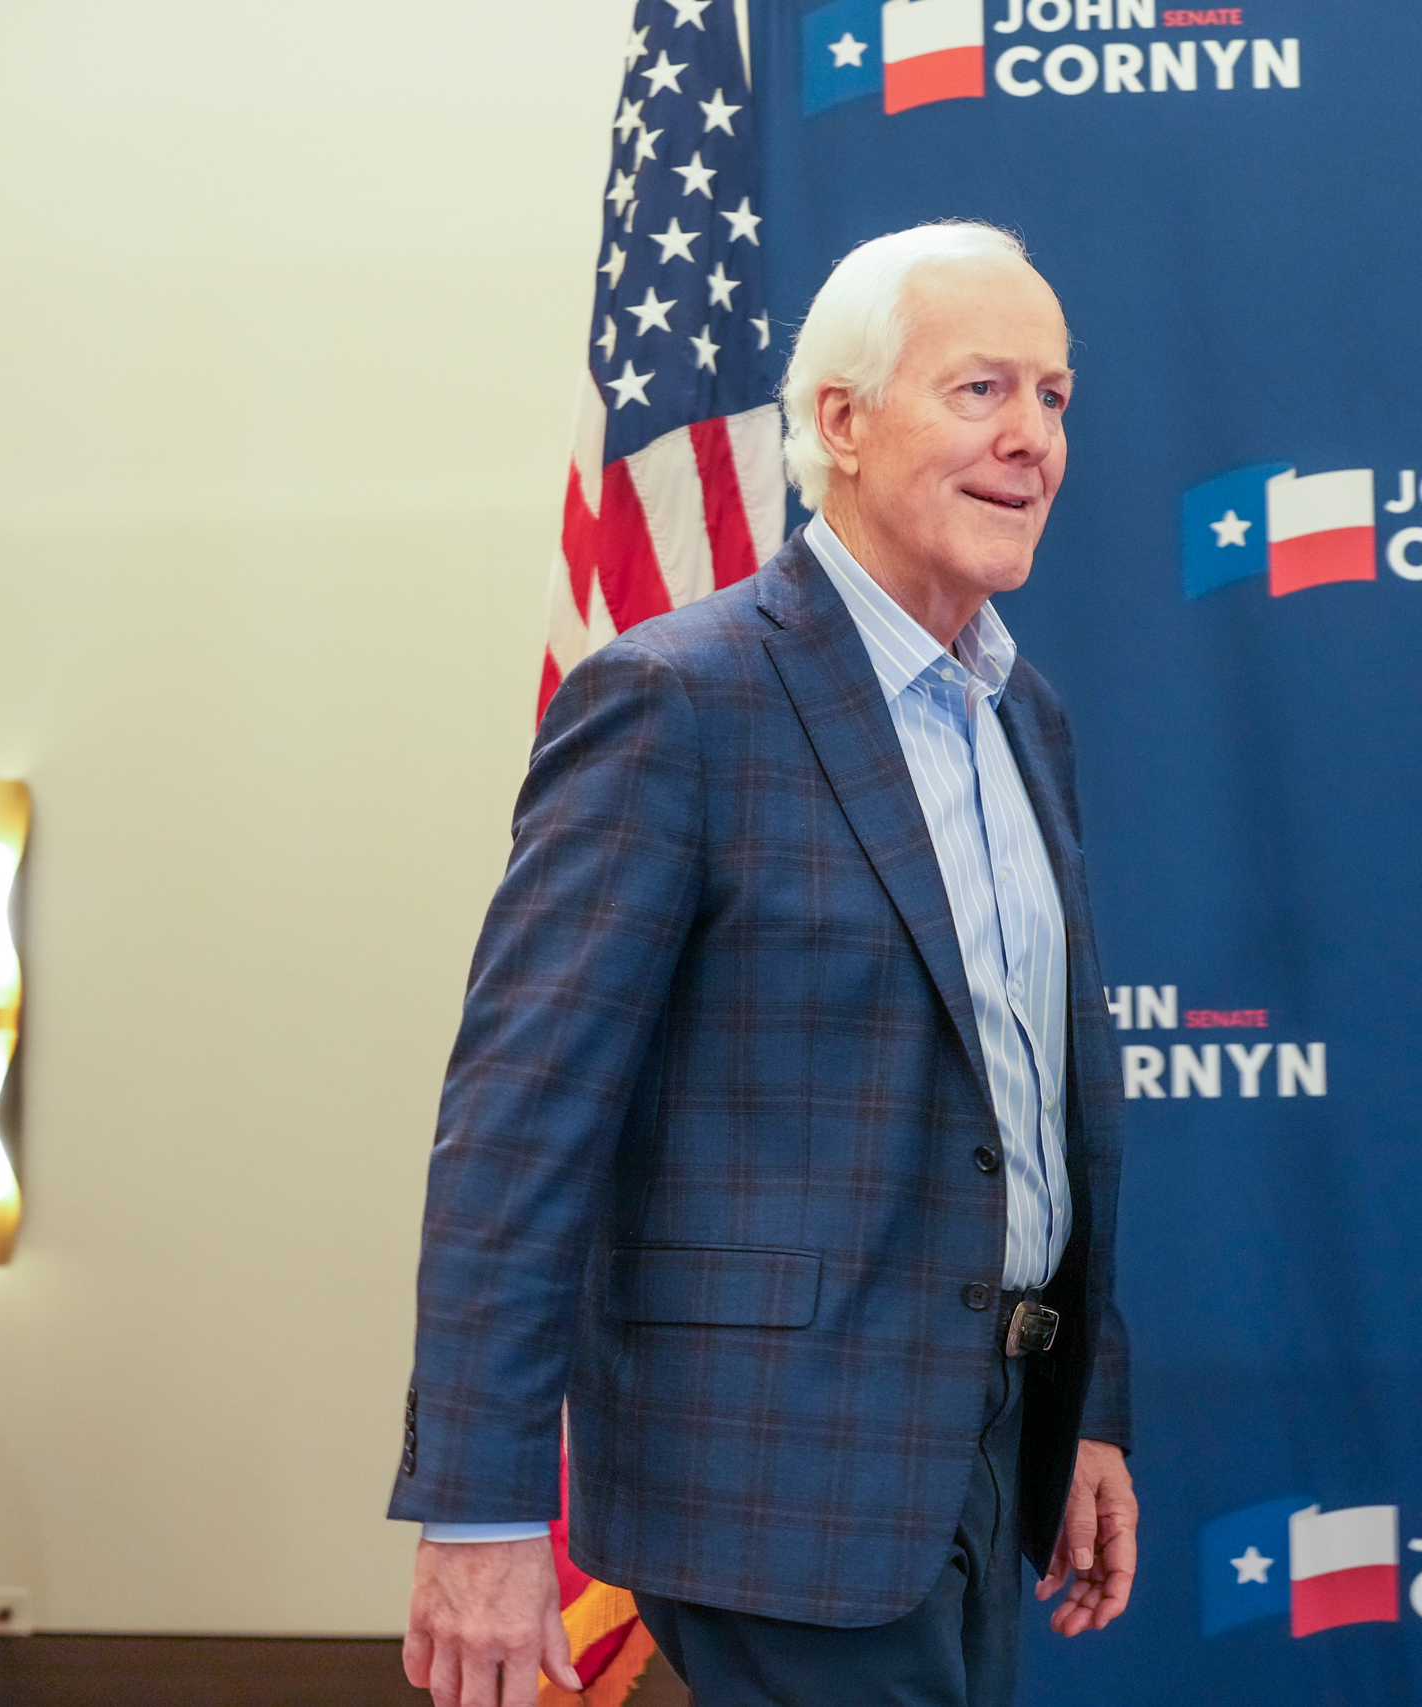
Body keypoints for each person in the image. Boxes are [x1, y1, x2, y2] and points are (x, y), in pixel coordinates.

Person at [393, 221, 1135, 1707]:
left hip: (987, 1447)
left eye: (1054, 396)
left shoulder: (1023, 713)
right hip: (769, 1477)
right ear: (844, 423)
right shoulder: (676, 699)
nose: (1033, 438)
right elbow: (516, 1130)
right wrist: (476, 1508)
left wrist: (1080, 1401)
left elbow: (1025, 1101)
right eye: (982, 389)